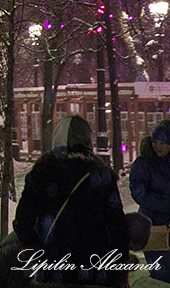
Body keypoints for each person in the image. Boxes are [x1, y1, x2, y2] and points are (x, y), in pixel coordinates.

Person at [13, 115, 130, 285]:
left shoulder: (41, 173)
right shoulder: (100, 174)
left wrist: (39, 248)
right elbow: (117, 226)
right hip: (94, 267)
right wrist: (119, 268)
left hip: (53, 266)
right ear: (88, 140)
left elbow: (23, 221)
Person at [130, 122, 170, 282]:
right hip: (153, 227)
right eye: (155, 141)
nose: (158, 146)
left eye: (163, 143)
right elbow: (140, 194)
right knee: (161, 276)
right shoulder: (144, 163)